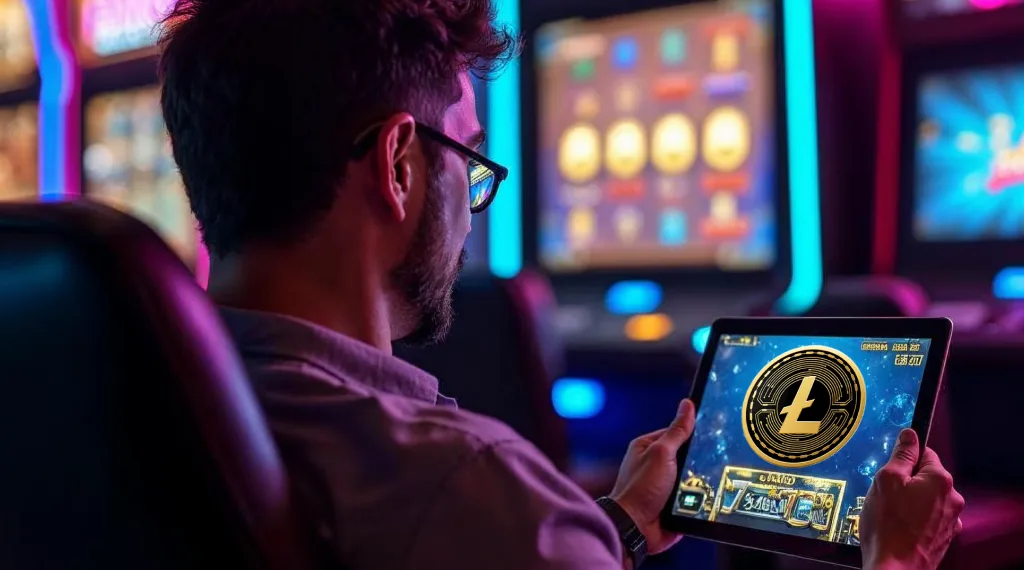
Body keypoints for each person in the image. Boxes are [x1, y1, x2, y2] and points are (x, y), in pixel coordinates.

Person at [157, 0, 965, 568]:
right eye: (469, 163)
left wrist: (612, 530)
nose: (475, 212)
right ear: (398, 166)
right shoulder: (463, 484)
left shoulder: (135, 397)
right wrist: (895, 557)